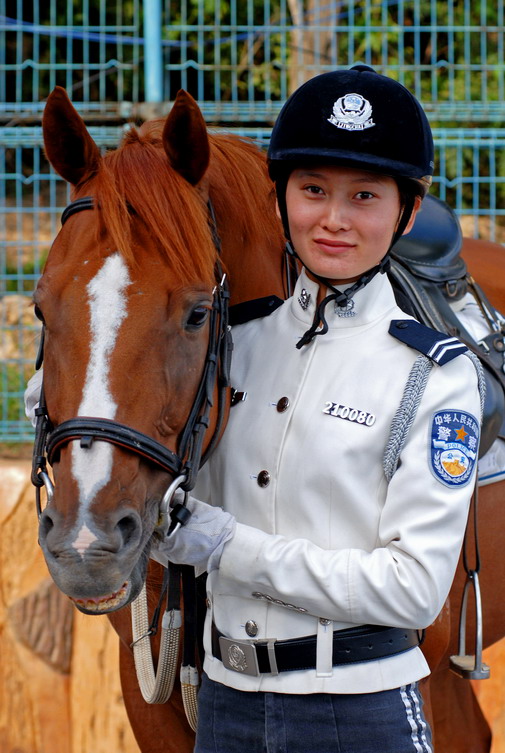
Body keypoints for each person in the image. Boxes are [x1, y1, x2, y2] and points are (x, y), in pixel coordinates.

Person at [30, 64, 483, 753]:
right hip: (229, 710)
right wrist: (77, 397)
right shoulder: (227, 350)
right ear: (278, 203)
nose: (333, 218)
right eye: (311, 190)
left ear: (407, 213)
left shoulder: (432, 374)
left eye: (364, 195)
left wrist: (225, 546)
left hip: (358, 716)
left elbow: (415, 593)